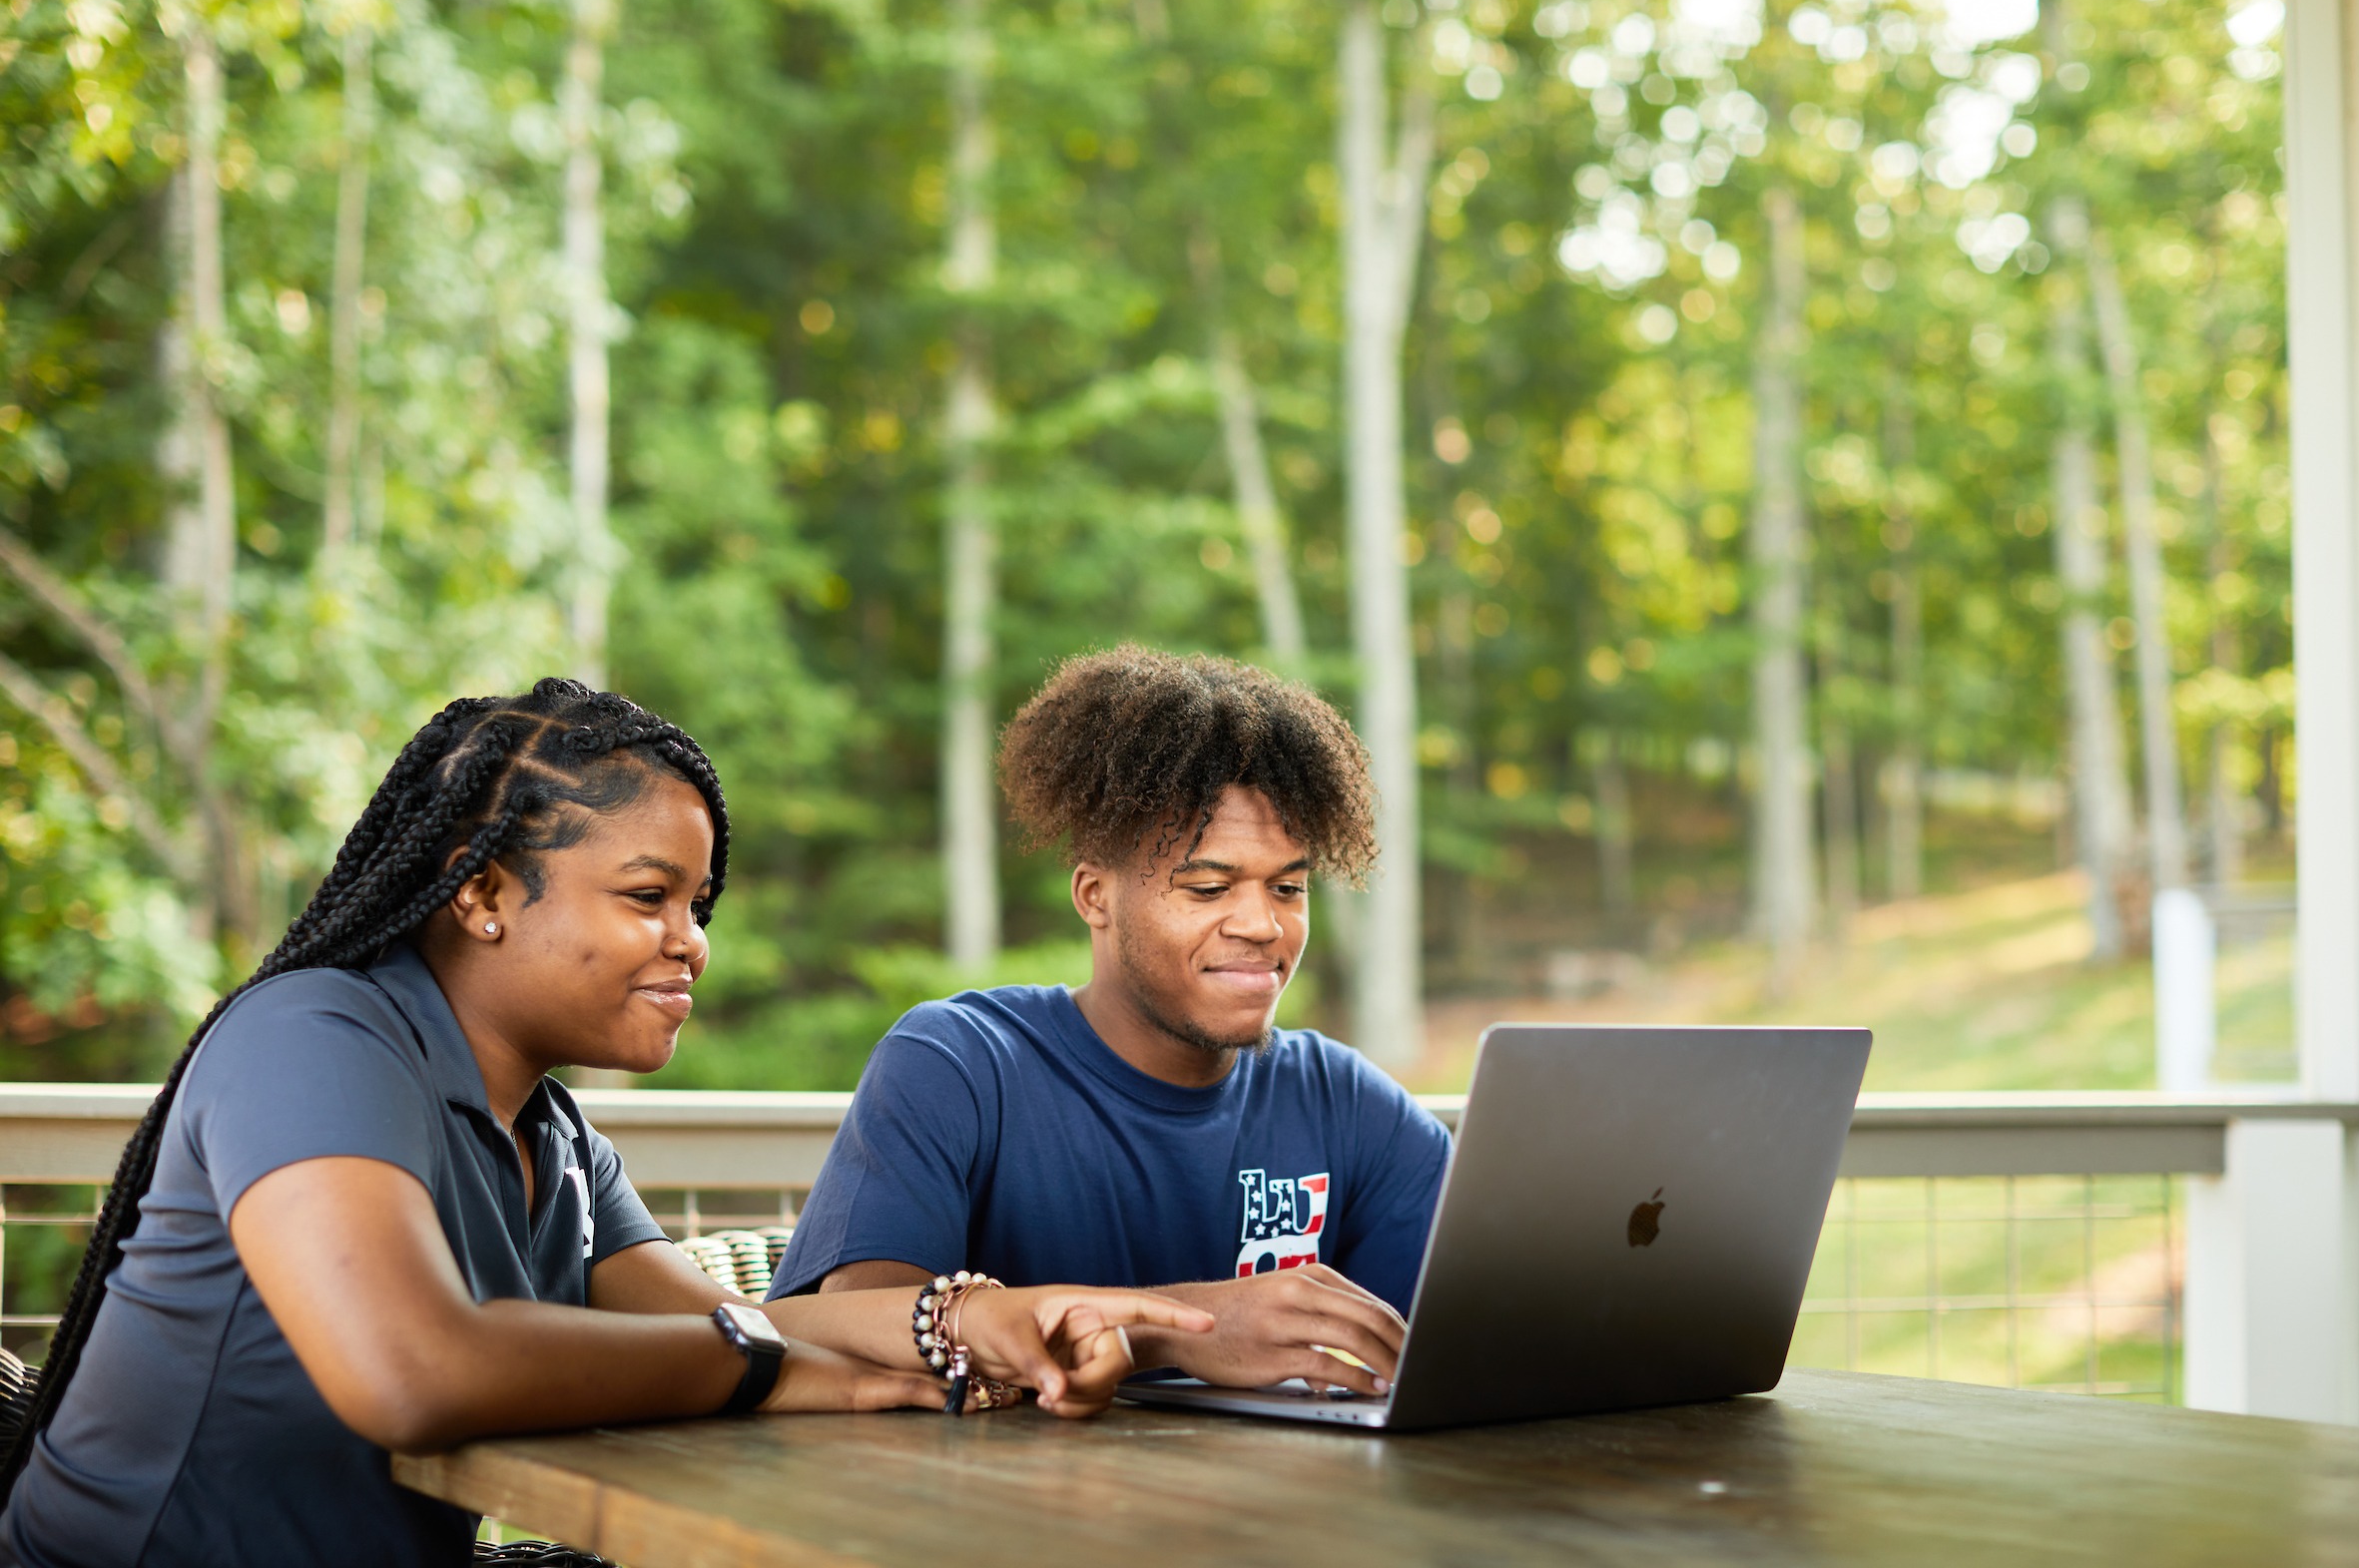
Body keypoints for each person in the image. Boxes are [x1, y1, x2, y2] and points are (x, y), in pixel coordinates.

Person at [0, 680, 1207, 1568]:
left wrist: (980, 1324)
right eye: (649, 897)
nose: (693, 942)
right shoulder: (311, 1035)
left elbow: (744, 1324)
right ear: (479, 890)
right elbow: (413, 1372)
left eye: (700, 904)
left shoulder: (556, 1138)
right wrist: (770, 1371)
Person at [769, 646, 1453, 1397]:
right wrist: (1181, 1328)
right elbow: (845, 1336)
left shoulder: (1343, 1101)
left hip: (1283, 1509)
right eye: (1208, 888)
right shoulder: (960, 1066)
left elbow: (1485, 1313)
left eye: (1288, 888)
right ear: (1095, 896)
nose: (1263, 923)